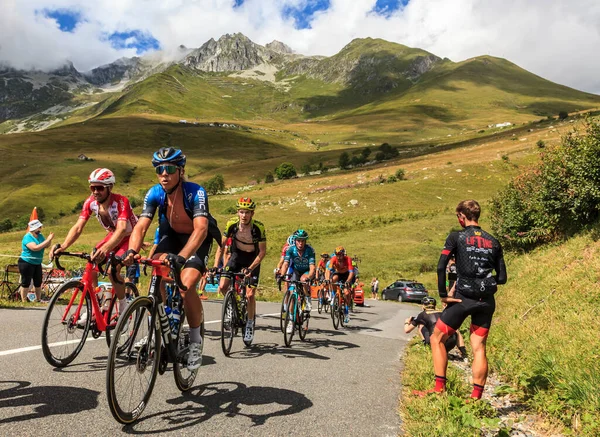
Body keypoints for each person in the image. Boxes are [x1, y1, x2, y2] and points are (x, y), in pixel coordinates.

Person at [124, 147, 221, 371]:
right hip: (171, 238)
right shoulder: (155, 193)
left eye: (169, 169)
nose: (164, 174)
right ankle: (158, 326)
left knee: (186, 287)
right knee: (156, 277)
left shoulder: (195, 192)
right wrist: (131, 251)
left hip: (196, 240)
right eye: (159, 170)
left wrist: (182, 257)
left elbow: (201, 229)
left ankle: (196, 341)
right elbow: (140, 226)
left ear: (181, 170)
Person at [422, 200, 507, 400]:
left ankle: (439, 388)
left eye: (457, 217)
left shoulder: (456, 237)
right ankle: (476, 397)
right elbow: (502, 278)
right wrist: (484, 281)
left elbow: (442, 266)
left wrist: (443, 294)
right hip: (486, 300)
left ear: (462, 216)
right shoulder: (493, 241)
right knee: (479, 347)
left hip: (462, 299)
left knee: (437, 338)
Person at [50, 168, 137, 317]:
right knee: (91, 261)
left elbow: (122, 229)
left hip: (129, 236)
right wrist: (63, 245)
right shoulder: (90, 202)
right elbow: (78, 227)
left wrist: (105, 248)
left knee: (112, 270)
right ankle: (95, 305)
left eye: (100, 188)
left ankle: (124, 307)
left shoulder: (121, 201)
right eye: (92, 187)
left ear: (110, 187)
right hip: (113, 235)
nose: (95, 192)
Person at [215, 197, 267, 345]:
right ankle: (232, 304)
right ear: (238, 212)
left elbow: (262, 252)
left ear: (252, 213)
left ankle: (250, 323)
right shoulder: (232, 224)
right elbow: (221, 245)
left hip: (252, 259)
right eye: (241, 212)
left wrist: (250, 268)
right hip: (236, 256)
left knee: (250, 294)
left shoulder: (259, 227)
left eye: (247, 212)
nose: (244, 215)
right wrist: (215, 266)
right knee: (223, 286)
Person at [280, 229, 316, 332]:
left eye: (303, 241)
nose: (300, 243)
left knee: (303, 279)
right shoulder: (290, 249)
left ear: (305, 241)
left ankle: (307, 298)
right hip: (296, 271)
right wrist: (282, 274)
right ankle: (291, 321)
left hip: (306, 271)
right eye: (298, 240)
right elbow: (286, 264)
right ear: (295, 240)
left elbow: (312, 267)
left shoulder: (310, 250)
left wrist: (309, 276)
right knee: (292, 293)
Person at [17, 220, 54, 302]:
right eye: (39, 227)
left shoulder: (40, 236)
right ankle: (24, 300)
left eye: (40, 227)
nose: (40, 229)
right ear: (34, 229)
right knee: (26, 282)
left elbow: (46, 245)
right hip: (26, 262)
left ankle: (38, 299)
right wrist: (48, 240)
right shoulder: (27, 237)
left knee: (38, 282)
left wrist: (49, 240)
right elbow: (35, 248)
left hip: (37, 263)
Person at [326, 246, 355, 323]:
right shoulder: (333, 259)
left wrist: (348, 281)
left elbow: (351, 272)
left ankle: (346, 310)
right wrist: (328, 279)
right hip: (338, 274)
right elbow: (328, 270)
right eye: (337, 255)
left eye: (340, 255)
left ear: (343, 254)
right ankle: (333, 296)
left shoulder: (348, 259)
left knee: (347, 293)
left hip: (346, 275)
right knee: (333, 280)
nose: (338, 257)